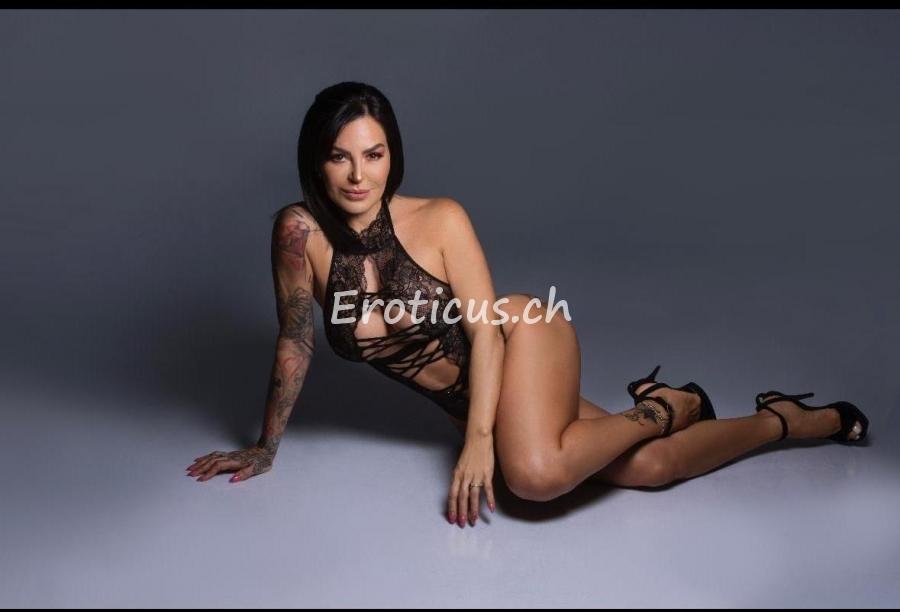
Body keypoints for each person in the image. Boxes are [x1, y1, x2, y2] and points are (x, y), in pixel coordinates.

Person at [186, 81, 870, 528]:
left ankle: (669, 407)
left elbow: (485, 335)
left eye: (375, 154)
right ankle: (782, 420)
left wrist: (479, 442)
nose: (360, 175)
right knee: (649, 468)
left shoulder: (440, 218)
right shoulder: (298, 234)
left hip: (520, 335)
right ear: (317, 161)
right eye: (340, 157)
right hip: (480, 396)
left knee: (535, 477)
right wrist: (266, 446)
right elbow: (296, 339)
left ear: (394, 153)